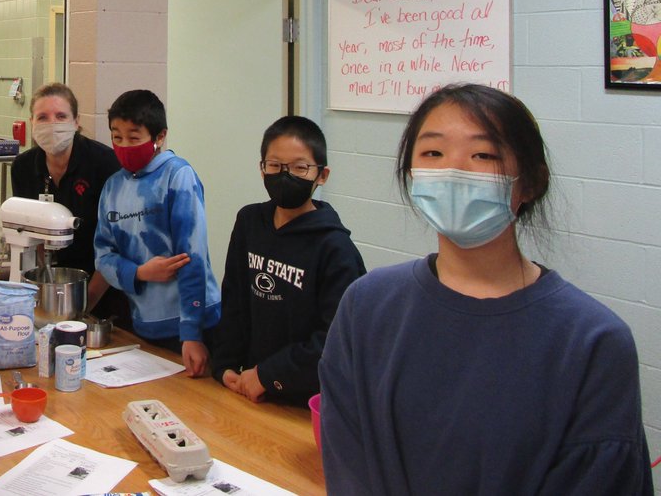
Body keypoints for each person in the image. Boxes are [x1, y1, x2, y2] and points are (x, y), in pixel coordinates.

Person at [320, 84, 653, 495]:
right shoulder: (366, 307)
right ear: (411, 174)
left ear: (530, 182)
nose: (453, 171)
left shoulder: (593, 342)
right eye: (433, 154)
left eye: (483, 155)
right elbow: (348, 464)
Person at [212, 116, 365, 405]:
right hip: (249, 390)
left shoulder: (335, 248)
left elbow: (335, 339)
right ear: (262, 169)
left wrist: (268, 375)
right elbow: (235, 300)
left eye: (299, 167)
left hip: (307, 399)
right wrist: (224, 365)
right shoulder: (249, 222)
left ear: (322, 175)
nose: (285, 175)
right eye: (275, 166)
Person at [94, 89, 220, 377]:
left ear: (159, 137)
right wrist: (140, 273)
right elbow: (103, 256)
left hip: (192, 327)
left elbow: (193, 256)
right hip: (144, 324)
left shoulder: (178, 176)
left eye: (134, 137)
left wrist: (192, 333)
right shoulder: (113, 187)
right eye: (116, 137)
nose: (124, 145)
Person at [10, 82, 129, 324]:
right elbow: (30, 235)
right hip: (51, 288)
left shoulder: (106, 164)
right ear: (32, 122)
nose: (52, 124)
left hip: (104, 290)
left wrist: (83, 307)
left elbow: (118, 245)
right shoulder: (23, 167)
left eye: (61, 116)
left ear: (76, 122)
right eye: (42, 117)